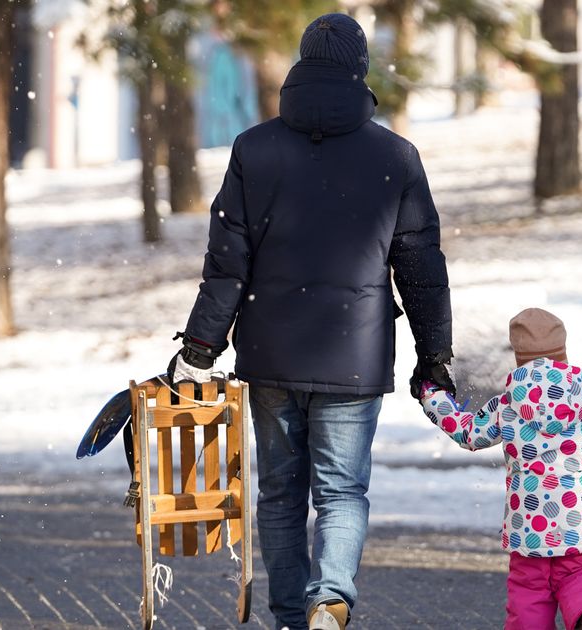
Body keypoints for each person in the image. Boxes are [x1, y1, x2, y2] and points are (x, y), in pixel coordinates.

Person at [166, 13, 454, 630]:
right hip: (355, 354)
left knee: (279, 495)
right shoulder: (395, 156)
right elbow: (421, 266)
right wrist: (434, 356)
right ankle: (331, 598)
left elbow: (227, 263)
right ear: (360, 70)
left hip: (271, 353)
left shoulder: (254, 149)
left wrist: (200, 345)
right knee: (342, 492)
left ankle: (290, 617)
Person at [418, 308, 582, 630]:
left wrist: (434, 398)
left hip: (529, 522)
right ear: (563, 353)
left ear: (519, 356)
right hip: (581, 517)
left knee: (530, 591)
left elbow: (469, 433)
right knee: (579, 576)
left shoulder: (508, 403)